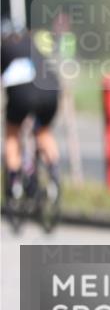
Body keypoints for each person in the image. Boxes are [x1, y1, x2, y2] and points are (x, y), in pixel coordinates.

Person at [1, 20, 61, 200]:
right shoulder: (34, 43)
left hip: (22, 96)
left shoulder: (3, 48)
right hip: (51, 92)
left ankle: (14, 182)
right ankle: (54, 175)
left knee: (12, 134)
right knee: (43, 131)